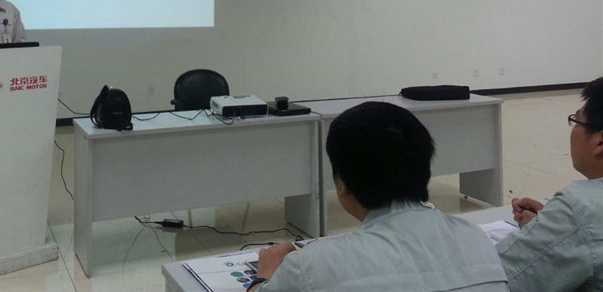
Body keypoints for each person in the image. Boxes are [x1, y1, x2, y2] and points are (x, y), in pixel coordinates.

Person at [251, 102, 508, 292]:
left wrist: (265, 276)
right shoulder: (476, 240)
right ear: (424, 169)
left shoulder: (312, 266)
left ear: (342, 185)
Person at [496, 77, 603, 292]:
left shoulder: (580, 208)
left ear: (600, 142)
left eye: (577, 121)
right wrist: (549, 233)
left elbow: (494, 280)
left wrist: (563, 226)